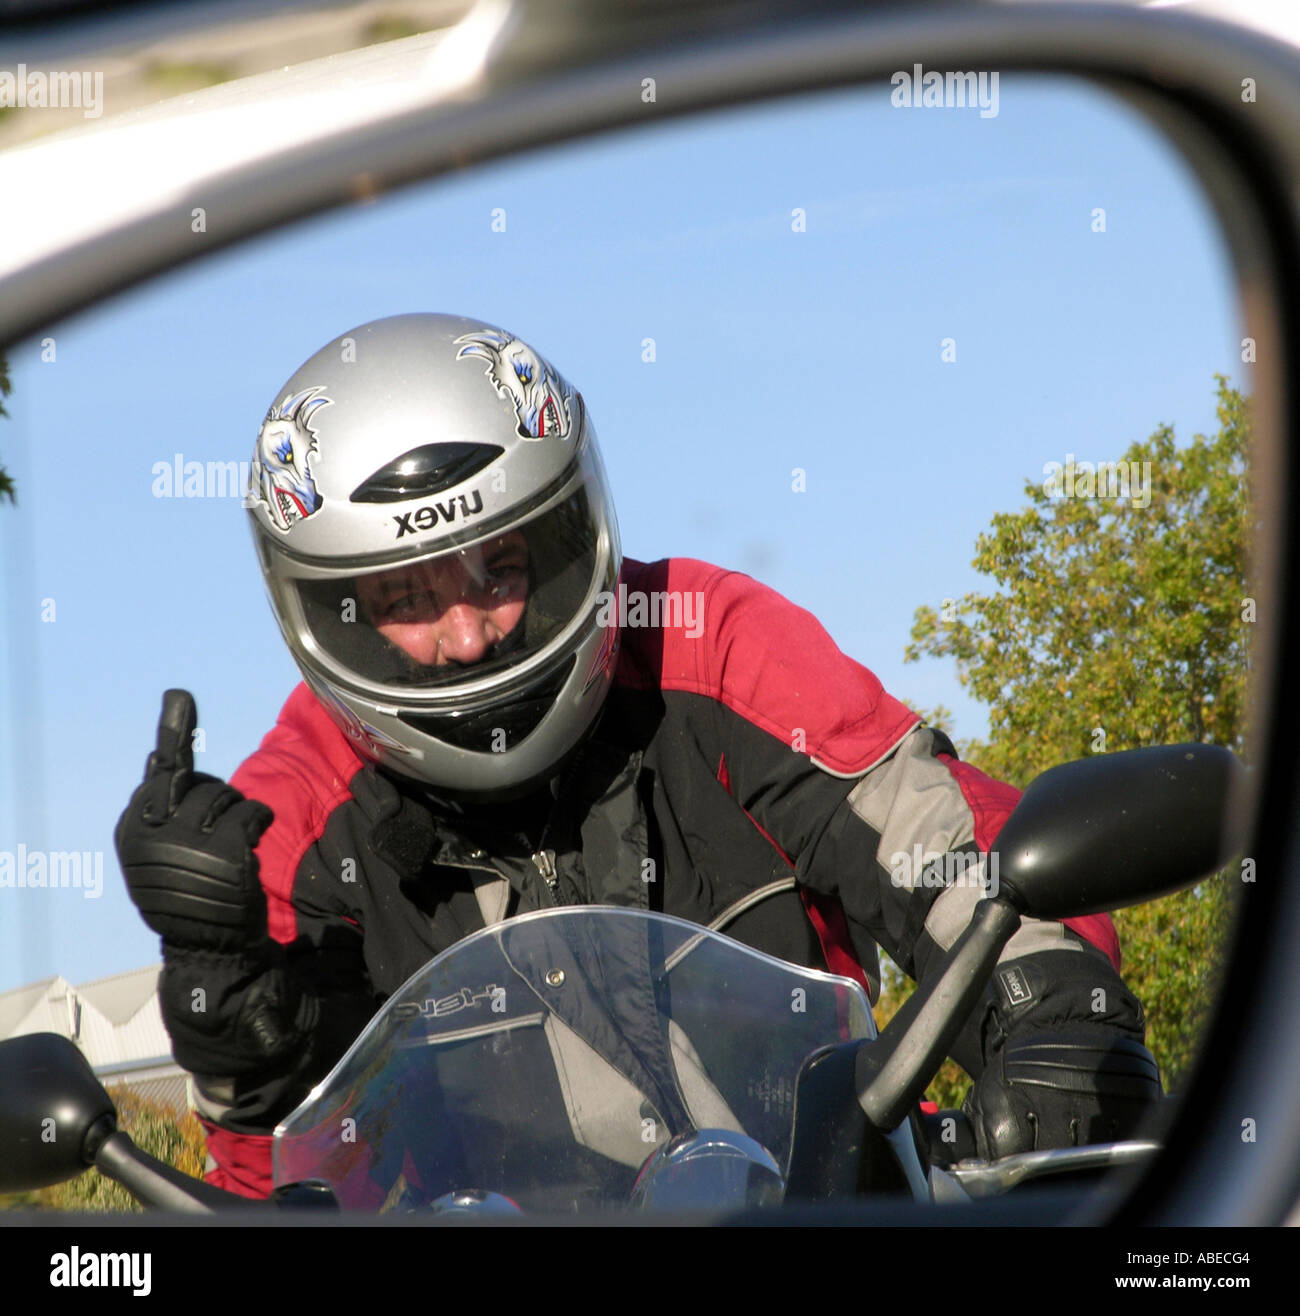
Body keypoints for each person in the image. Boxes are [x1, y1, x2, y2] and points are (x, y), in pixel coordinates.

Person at [115, 313, 1161, 1200]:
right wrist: (227, 1012)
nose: (469, 633)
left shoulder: (705, 640)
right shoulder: (287, 819)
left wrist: (1053, 1018)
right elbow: (284, 1185)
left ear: (568, 530)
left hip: (821, 1203)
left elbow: (938, 833)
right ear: (334, 613)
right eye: (405, 598)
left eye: (500, 568)